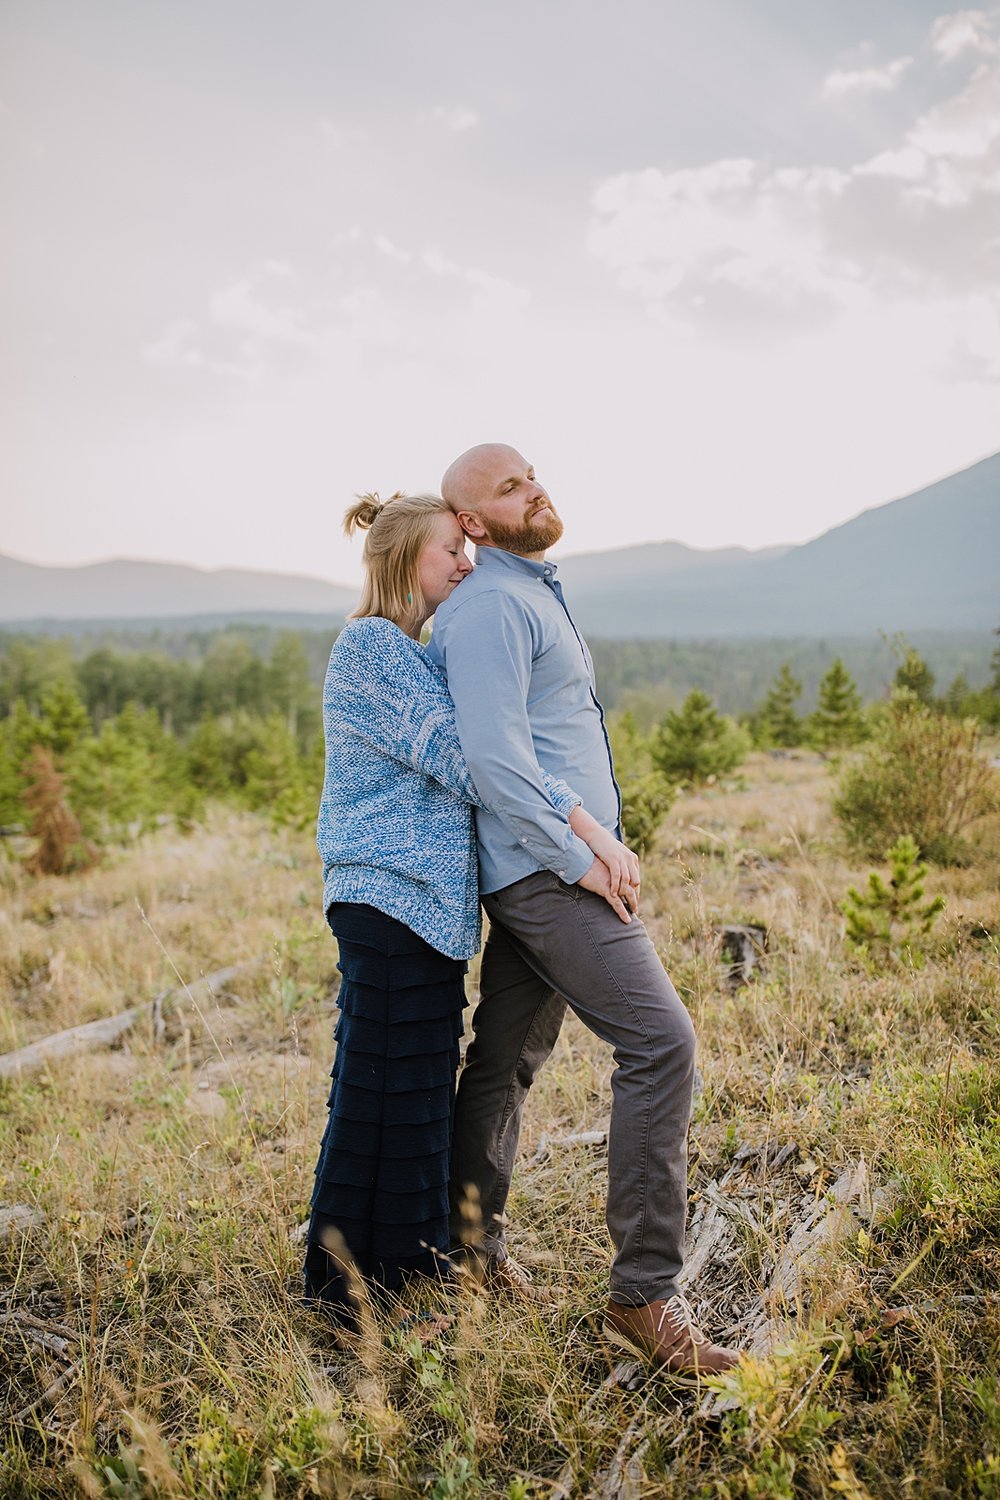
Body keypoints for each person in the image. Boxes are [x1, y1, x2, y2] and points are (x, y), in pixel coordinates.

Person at [428, 445, 740, 1375]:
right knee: (662, 1042)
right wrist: (582, 855)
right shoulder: (488, 608)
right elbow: (496, 758)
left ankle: (470, 1254)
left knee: (506, 1058)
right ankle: (643, 1296)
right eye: (509, 487)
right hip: (545, 872)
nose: (535, 488)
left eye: (532, 473)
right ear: (474, 524)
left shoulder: (526, 593)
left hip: (552, 864)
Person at [306, 490, 624, 1329]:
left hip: (429, 913)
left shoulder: (417, 654)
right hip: (387, 899)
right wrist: (584, 826)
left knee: (408, 1093)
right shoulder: (370, 647)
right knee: (383, 1092)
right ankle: (351, 1293)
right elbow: (475, 758)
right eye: (451, 547)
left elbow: (498, 748)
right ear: (408, 556)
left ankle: (395, 1277)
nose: (466, 559)